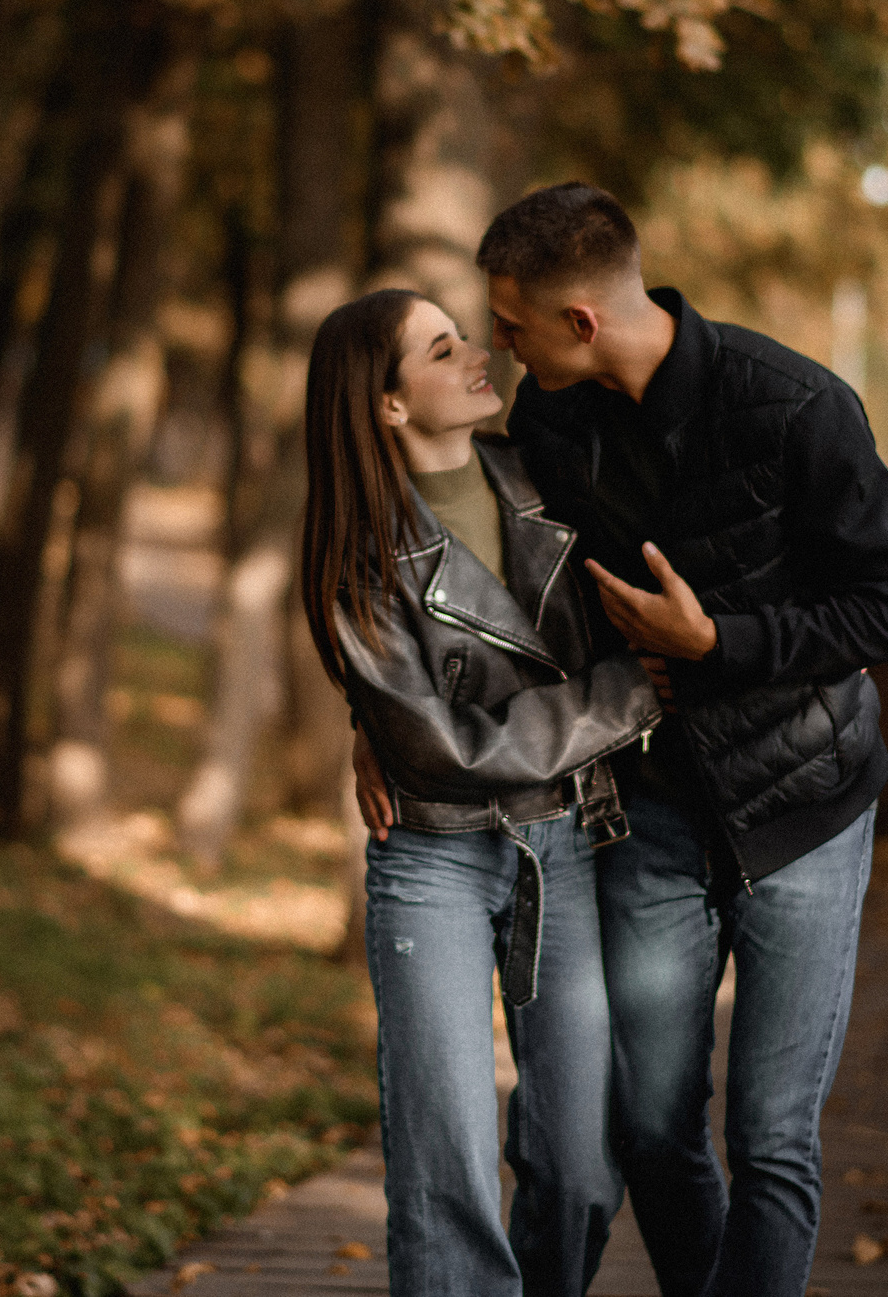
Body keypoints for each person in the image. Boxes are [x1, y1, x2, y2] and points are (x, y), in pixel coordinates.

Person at [476, 182, 888, 1296]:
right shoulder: (551, 422)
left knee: (772, 1137)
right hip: (653, 811)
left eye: (511, 324)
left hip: (806, 810)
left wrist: (716, 640)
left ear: (578, 321)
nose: (497, 346)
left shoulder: (795, 405)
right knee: (650, 1127)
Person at [300, 287, 663, 1297]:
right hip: (434, 859)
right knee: (445, 1168)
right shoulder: (356, 556)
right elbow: (446, 750)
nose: (476, 358)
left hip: (567, 843)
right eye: (442, 349)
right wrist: (629, 696)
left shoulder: (542, 475)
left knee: (583, 1166)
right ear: (386, 406)